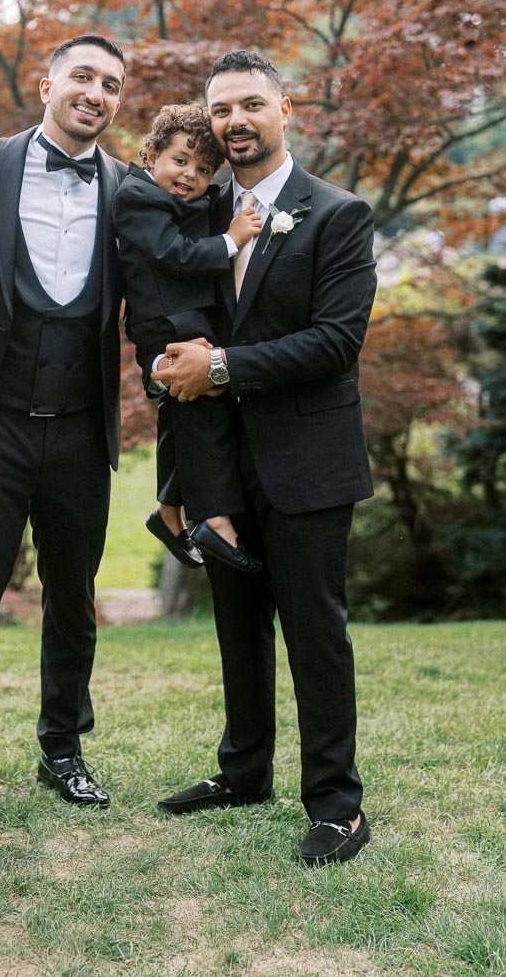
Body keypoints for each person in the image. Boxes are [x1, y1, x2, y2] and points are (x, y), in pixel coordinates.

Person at [156, 50, 377, 867]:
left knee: (315, 633)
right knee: (236, 627)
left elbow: (335, 342)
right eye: (221, 110)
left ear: (286, 109)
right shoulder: (197, 214)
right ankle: (244, 772)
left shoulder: (338, 214)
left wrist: (219, 367)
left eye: (251, 104)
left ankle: (338, 807)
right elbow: (169, 318)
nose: (235, 122)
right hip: (219, 462)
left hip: (308, 458)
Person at [0, 34, 126, 807]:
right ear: (48, 85)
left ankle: (63, 748)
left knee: (73, 598)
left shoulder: (129, 186)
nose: (96, 93)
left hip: (82, 426)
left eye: (111, 85)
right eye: (83, 76)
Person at [113, 103, 263, 573]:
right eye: (179, 161)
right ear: (151, 153)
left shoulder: (177, 198)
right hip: (166, 323)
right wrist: (232, 240)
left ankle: (167, 510)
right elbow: (172, 254)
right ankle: (214, 518)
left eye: (202, 170)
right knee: (205, 407)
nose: (189, 176)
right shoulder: (136, 197)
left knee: (183, 411)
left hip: (183, 318)